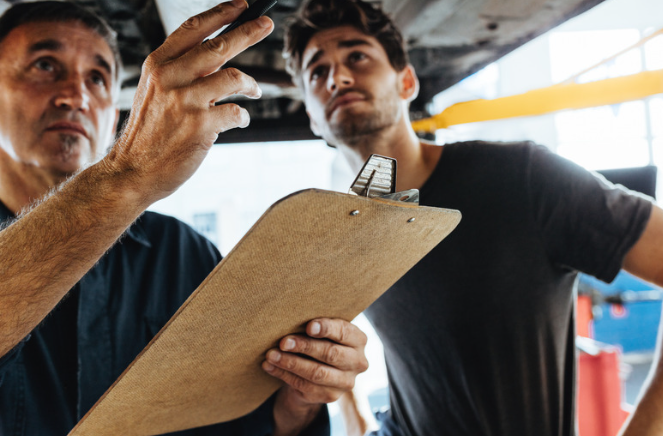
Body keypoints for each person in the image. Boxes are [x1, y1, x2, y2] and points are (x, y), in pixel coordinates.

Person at [282, 0, 663, 435]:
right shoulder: (346, 232)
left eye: (357, 56)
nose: (339, 77)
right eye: (317, 71)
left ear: (407, 81)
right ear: (311, 116)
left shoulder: (522, 177)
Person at [0, 1, 369, 435]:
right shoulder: (133, 184)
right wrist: (128, 174)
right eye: (45, 66)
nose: (75, 96)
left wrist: (301, 397)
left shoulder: (182, 252)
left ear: (115, 116)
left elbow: (245, 425)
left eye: (98, 78)